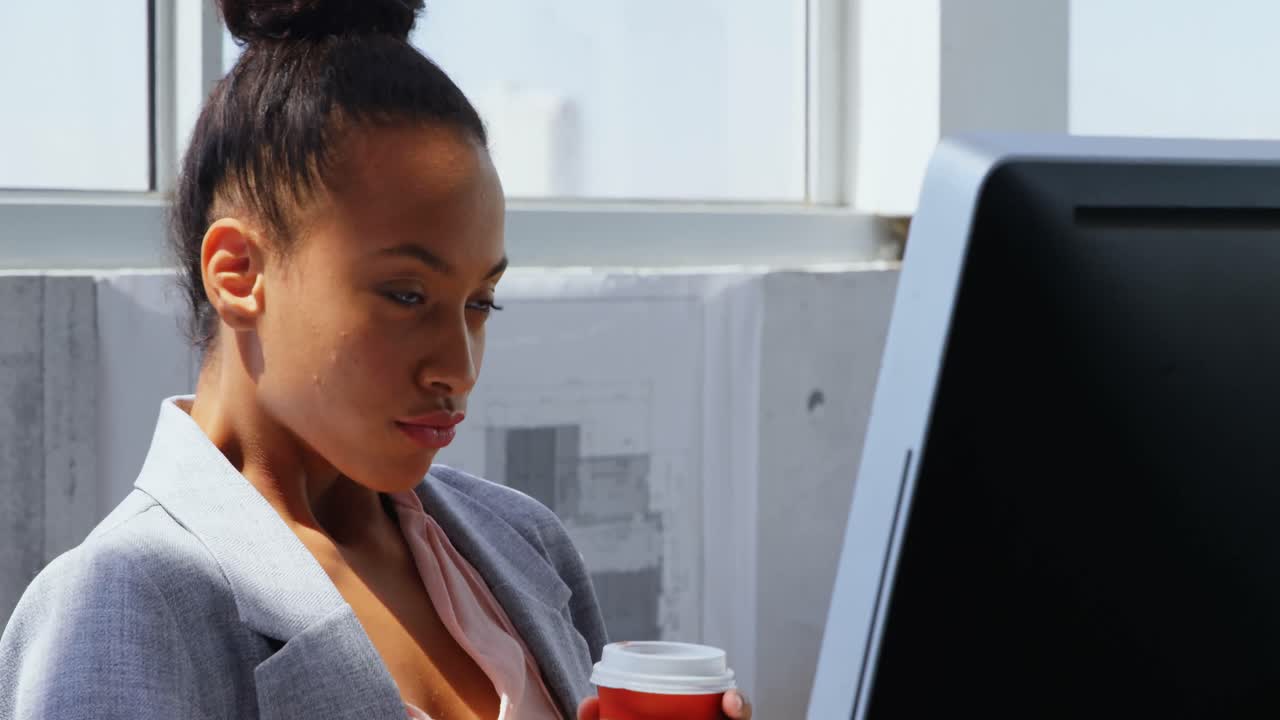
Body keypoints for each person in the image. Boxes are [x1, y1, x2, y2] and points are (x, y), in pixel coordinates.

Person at [0, 1, 753, 719]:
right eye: (404, 295)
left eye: (480, 302)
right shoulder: (125, 603)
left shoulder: (524, 544)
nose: (456, 369)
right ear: (238, 272)